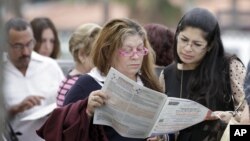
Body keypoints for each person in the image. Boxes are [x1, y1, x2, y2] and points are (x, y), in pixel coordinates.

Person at [37, 18, 166, 141]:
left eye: (139, 49)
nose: (136, 56)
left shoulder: (148, 83)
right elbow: (61, 130)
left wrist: (160, 137)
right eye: (127, 50)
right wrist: (86, 111)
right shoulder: (87, 84)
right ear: (108, 52)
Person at [159, 8, 247, 141]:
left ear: (210, 46)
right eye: (184, 40)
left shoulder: (230, 67)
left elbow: (247, 118)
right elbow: (163, 124)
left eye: (197, 44)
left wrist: (230, 117)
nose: (188, 48)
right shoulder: (167, 74)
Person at [3, 18, 64, 141]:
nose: (25, 52)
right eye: (18, 46)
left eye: (29, 44)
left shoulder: (50, 66)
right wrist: (14, 110)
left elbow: (67, 101)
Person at [56, 23, 102, 107]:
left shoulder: (68, 79)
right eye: (97, 54)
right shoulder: (80, 86)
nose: (102, 59)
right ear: (82, 55)